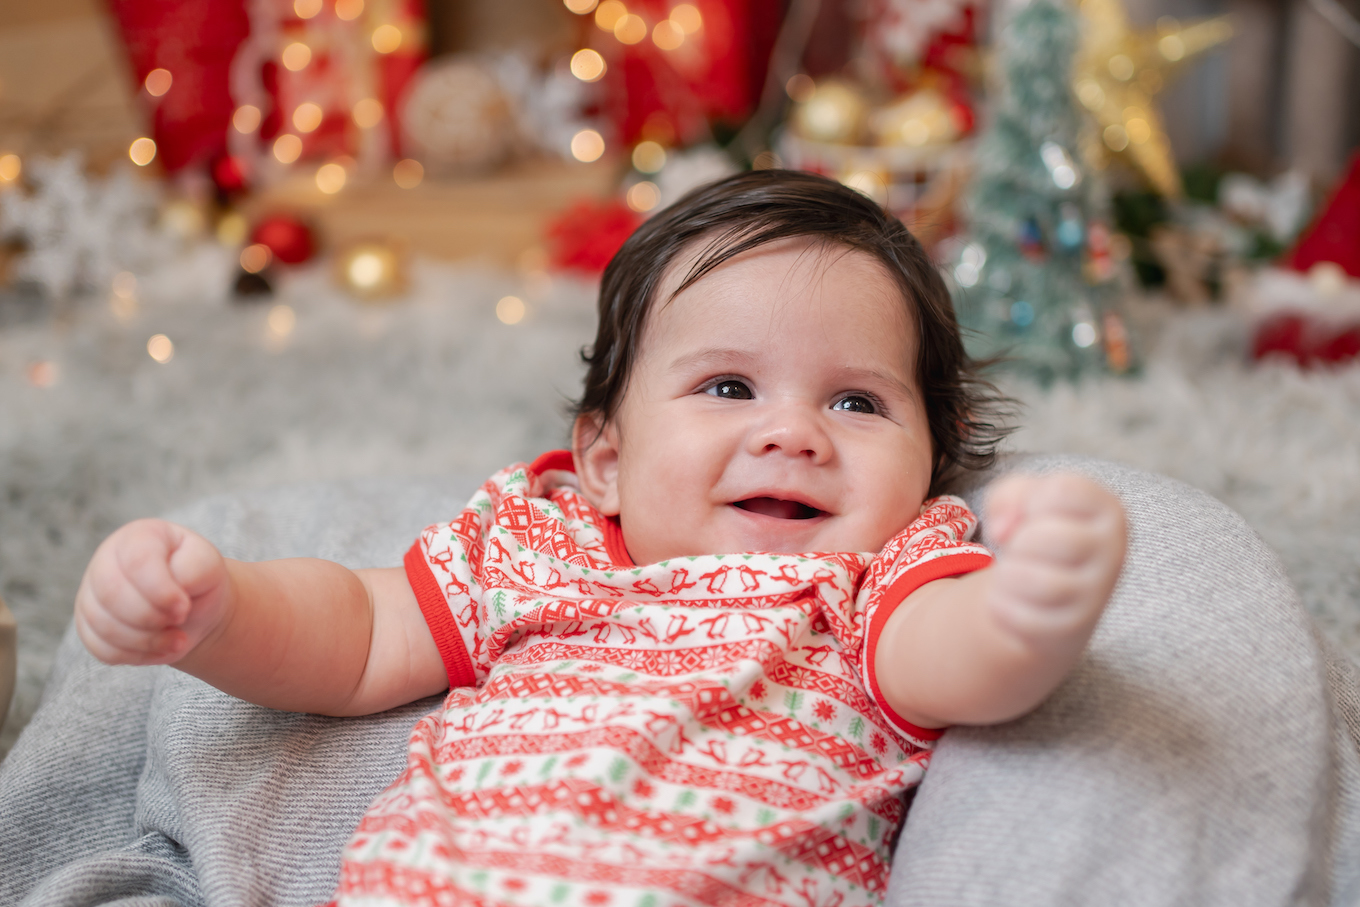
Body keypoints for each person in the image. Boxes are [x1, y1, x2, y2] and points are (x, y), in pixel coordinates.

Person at [73, 171, 1126, 906]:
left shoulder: (875, 577)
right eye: (727, 386)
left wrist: (1031, 602)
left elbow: (959, 659)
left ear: (932, 460)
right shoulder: (542, 543)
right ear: (606, 460)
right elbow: (352, 634)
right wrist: (215, 611)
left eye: (857, 403)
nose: (791, 433)